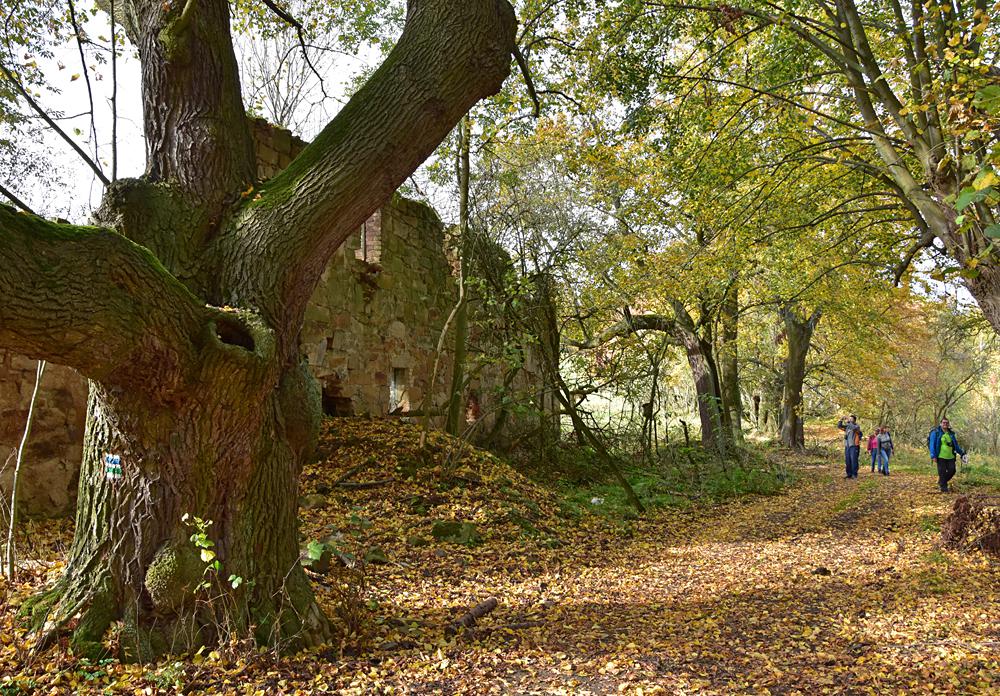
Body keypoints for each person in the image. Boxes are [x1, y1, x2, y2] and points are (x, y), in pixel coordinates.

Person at [928, 417, 966, 493]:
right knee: (942, 472)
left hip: (951, 456)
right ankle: (944, 488)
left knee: (952, 470)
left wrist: (962, 453)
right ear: (941, 424)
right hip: (940, 456)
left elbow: (956, 445)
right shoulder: (935, 432)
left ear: (948, 424)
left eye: (947, 423)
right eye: (944, 423)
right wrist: (933, 455)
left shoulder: (951, 434)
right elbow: (932, 444)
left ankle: (941, 481)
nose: (945, 424)